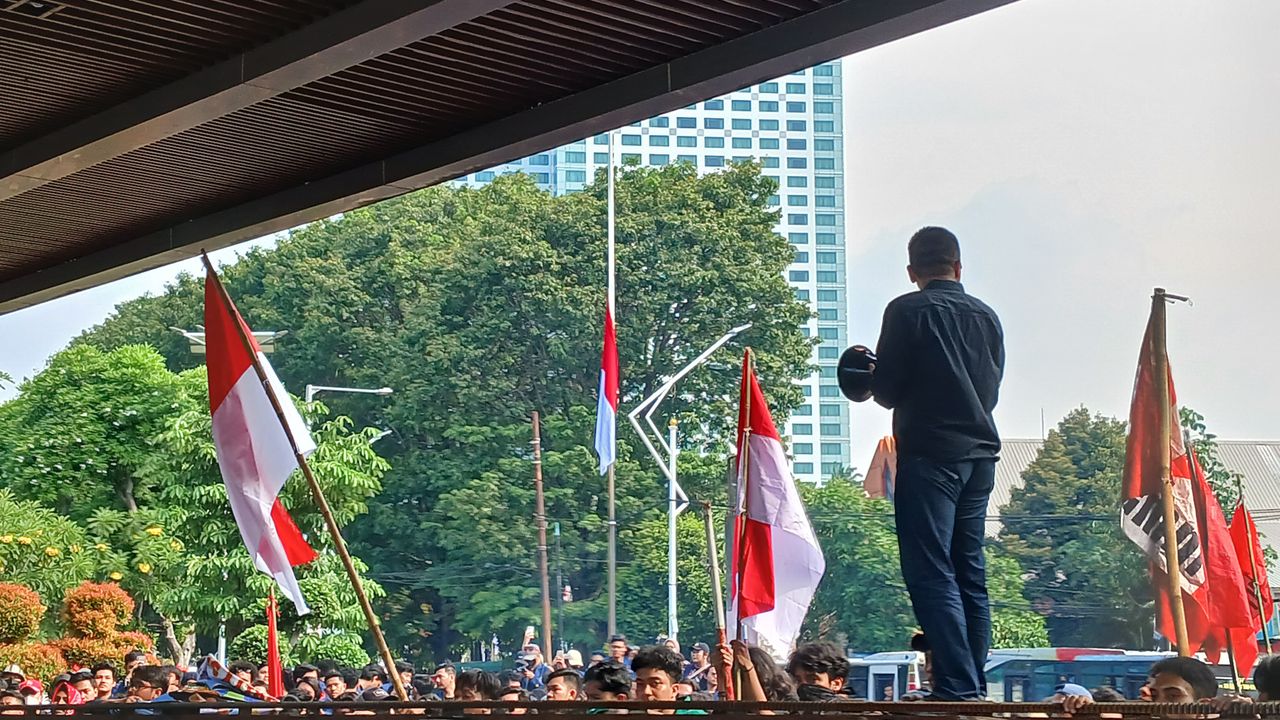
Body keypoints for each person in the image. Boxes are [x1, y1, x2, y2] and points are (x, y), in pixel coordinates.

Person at [869, 226, 1004, 701]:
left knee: (931, 571)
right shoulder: (987, 316)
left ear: (912, 272)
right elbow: (990, 390)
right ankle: (973, 684)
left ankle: (955, 686)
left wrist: (870, 372)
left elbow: (884, 389)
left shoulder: (905, 311)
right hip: (981, 456)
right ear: (958, 267)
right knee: (969, 569)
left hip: (929, 455)